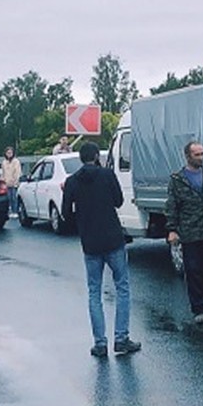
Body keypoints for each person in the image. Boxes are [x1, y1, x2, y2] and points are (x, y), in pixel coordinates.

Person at [61, 141, 141, 358]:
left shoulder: (72, 182)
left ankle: (100, 343)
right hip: (113, 238)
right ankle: (121, 338)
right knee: (122, 287)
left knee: (94, 292)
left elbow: (66, 214)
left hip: (90, 243)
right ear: (97, 156)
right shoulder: (107, 175)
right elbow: (118, 200)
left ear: (80, 158)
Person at [165, 141, 203, 324]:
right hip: (190, 231)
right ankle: (198, 307)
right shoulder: (178, 179)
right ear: (188, 156)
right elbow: (171, 206)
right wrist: (172, 229)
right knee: (193, 269)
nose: (201, 158)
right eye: (197, 155)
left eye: (202, 153)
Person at [1, 146, 22, 218]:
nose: (9, 154)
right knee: (8, 197)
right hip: (7, 182)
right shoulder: (4, 162)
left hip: (14, 182)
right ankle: (11, 211)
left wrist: (16, 180)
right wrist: (3, 180)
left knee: (14, 197)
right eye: (8, 153)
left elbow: (17, 172)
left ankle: (15, 211)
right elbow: (3, 172)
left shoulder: (16, 161)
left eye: (10, 153)